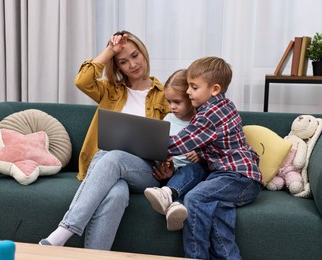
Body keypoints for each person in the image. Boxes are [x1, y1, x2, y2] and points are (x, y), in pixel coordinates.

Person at [39, 30, 170, 250]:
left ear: (144, 54)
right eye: (123, 61)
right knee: (116, 194)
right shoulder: (111, 91)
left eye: (135, 55)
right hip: (108, 170)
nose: (133, 64)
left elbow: (176, 135)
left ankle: (62, 234)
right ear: (117, 66)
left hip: (146, 173)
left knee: (115, 156)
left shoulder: (165, 94)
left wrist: (169, 167)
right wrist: (110, 50)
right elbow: (82, 80)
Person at [167, 56, 263, 259]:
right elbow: (222, 143)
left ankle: (195, 256)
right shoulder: (225, 105)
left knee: (194, 198)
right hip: (237, 179)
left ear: (215, 89)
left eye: (194, 87)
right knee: (218, 219)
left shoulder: (209, 114)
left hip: (238, 178)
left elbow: (180, 143)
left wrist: (148, 143)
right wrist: (201, 153)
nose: (188, 91)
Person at [144, 69, 208, 231]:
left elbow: (215, 152)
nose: (172, 107)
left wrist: (200, 155)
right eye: (169, 101)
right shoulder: (168, 120)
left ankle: (172, 201)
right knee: (180, 176)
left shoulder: (202, 121)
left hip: (198, 174)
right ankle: (175, 205)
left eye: (177, 102)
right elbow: (162, 152)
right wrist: (164, 168)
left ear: (190, 97)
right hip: (173, 175)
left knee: (193, 169)